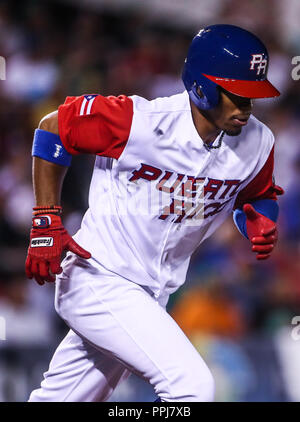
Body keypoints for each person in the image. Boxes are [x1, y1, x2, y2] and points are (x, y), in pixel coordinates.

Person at [25, 24, 283, 402]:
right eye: (238, 94)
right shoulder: (139, 121)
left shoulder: (259, 142)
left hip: (152, 294)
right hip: (98, 277)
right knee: (191, 387)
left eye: (253, 95)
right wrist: (46, 219)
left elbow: (258, 194)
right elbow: (53, 129)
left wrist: (259, 218)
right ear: (202, 85)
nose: (247, 106)